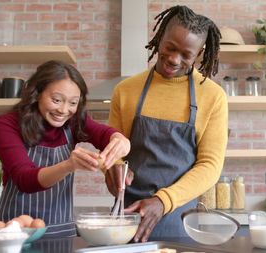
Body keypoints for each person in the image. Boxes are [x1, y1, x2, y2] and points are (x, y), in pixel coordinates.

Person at [106, 5, 227, 242]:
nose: (173, 59)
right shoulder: (126, 91)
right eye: (170, 48)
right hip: (128, 219)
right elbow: (112, 145)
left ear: (199, 54)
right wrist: (113, 167)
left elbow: (210, 165)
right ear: (159, 37)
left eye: (186, 55)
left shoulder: (213, 97)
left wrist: (163, 201)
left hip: (181, 221)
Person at [0, 60, 130, 238]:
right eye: (56, 100)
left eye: (73, 103)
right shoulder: (8, 124)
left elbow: (103, 133)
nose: (64, 110)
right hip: (12, 233)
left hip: (61, 234)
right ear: (37, 93)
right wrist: (69, 165)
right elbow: (24, 179)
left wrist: (121, 140)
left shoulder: (73, 122)